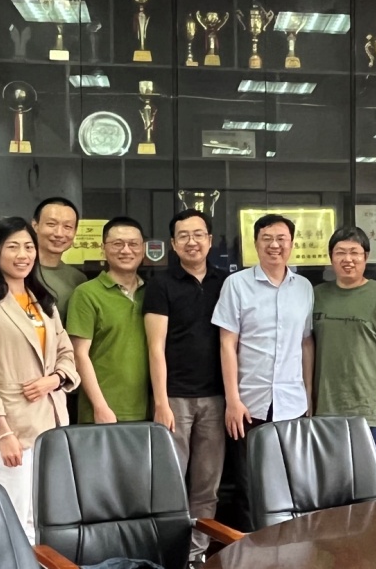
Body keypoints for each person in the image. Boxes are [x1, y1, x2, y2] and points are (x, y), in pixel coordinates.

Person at [0, 216, 79, 545]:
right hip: (12, 429)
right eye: (13, 247)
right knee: (14, 524)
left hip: (52, 426)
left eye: (28, 247)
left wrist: (54, 379)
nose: (23, 254)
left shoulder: (42, 301)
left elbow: (67, 354)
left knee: (44, 520)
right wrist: (3, 433)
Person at [212, 213, 314, 530]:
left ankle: (290, 548)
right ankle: (251, 550)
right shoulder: (237, 285)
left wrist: (309, 397)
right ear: (255, 244)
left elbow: (306, 343)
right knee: (250, 487)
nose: (274, 245)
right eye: (267, 238)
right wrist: (232, 400)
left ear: (292, 244)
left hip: (292, 404)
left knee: (292, 484)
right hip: (249, 405)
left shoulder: (304, 287)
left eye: (281, 239)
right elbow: (227, 344)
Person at [145, 209, 227, 563]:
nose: (192, 242)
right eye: (183, 236)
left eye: (198, 234)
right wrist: (161, 402)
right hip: (175, 399)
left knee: (207, 484)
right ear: (173, 244)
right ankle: (170, 555)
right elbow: (155, 347)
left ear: (210, 240)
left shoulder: (226, 283)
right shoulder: (160, 284)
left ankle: (197, 554)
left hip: (216, 398)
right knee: (171, 483)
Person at [312, 225, 376, 461]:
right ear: (331, 257)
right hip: (325, 408)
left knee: (369, 479)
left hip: (368, 409)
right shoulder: (316, 295)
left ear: (366, 256)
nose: (348, 259)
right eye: (340, 252)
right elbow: (306, 348)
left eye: (354, 252)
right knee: (330, 477)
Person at [67, 217, 151, 423]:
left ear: (143, 249)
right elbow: (79, 354)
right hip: (102, 413)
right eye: (117, 244)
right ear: (103, 249)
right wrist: (100, 406)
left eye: (133, 244)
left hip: (147, 411)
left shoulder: (153, 292)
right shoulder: (86, 293)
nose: (126, 250)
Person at [31, 197, 87, 321]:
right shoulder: (20, 271)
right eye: (51, 224)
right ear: (35, 226)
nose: (59, 233)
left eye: (67, 227)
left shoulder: (78, 279)